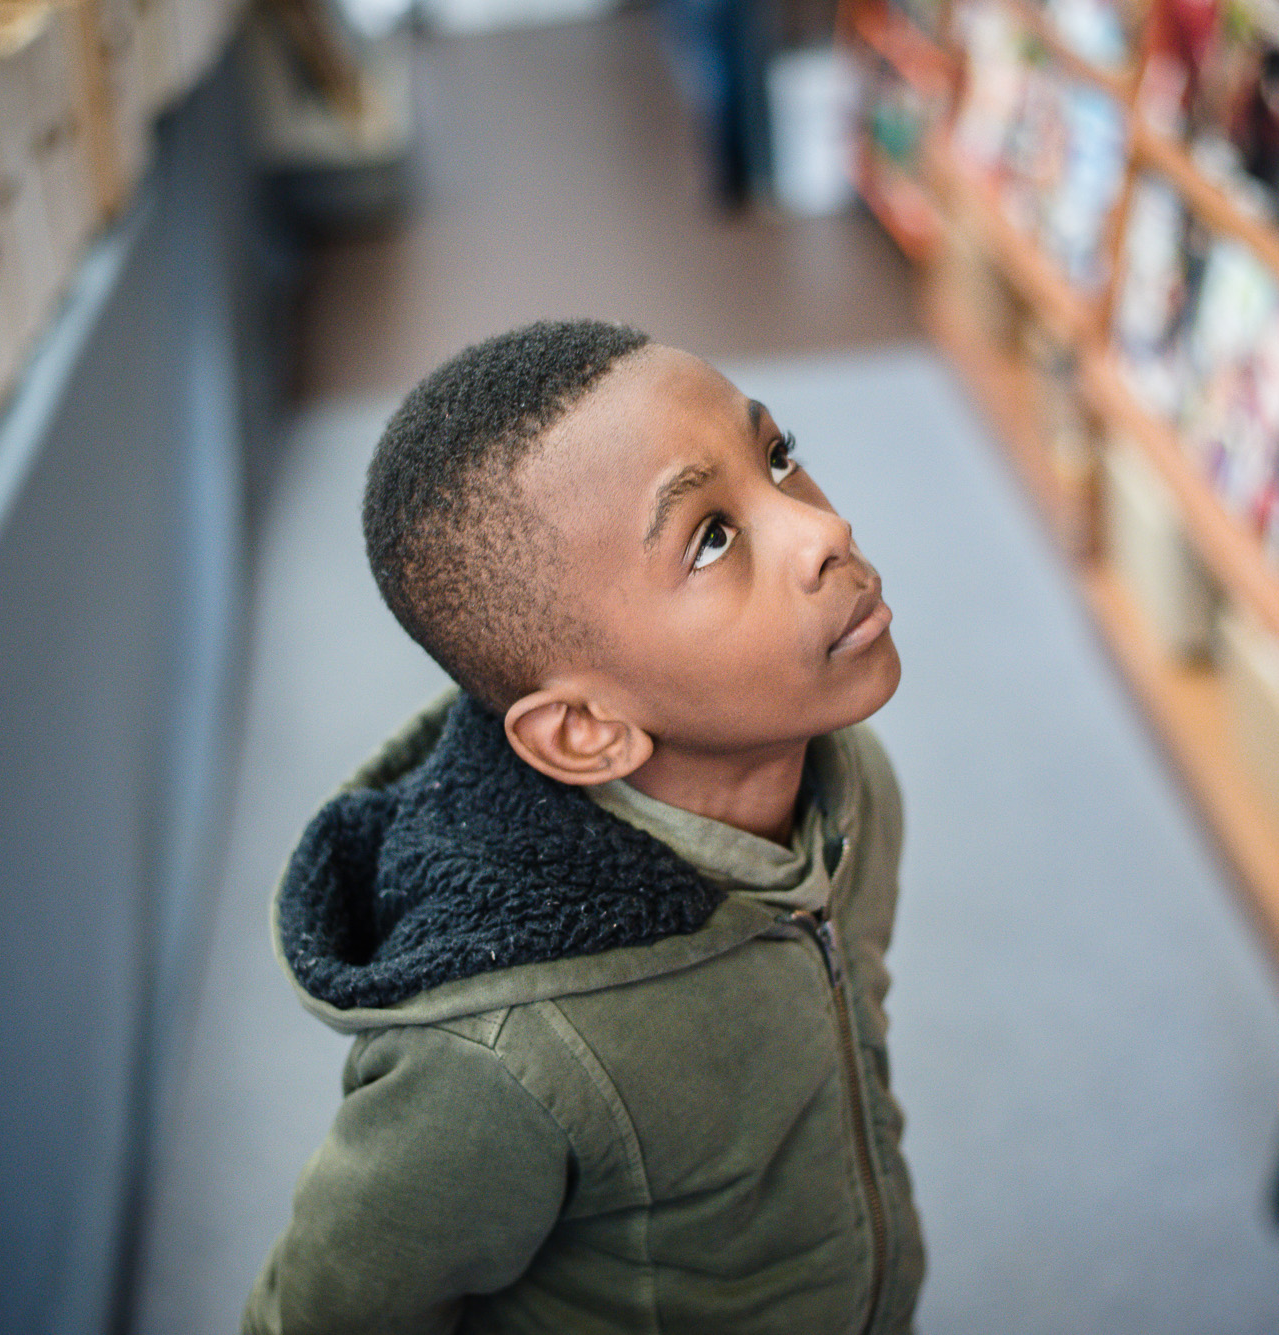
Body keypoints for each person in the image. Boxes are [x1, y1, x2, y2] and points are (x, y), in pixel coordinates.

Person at [242, 319, 923, 1334]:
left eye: (777, 455)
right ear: (583, 731)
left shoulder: (846, 779)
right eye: (711, 538)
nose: (820, 531)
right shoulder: (500, 1056)